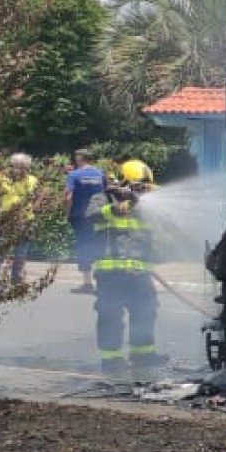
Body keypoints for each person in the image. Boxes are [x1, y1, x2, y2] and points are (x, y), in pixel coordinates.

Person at [86, 159, 161, 377]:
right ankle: (112, 360)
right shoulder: (101, 198)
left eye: (144, 187)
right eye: (137, 187)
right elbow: (92, 215)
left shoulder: (146, 204)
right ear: (123, 182)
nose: (142, 192)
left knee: (145, 312)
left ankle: (143, 356)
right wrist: (116, 209)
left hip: (140, 272)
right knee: (110, 314)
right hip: (110, 273)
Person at [0, 153, 39, 285]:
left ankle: (16, 279)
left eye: (23, 167)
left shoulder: (32, 180)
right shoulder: (1, 178)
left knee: (21, 253)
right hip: (5, 219)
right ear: (11, 166)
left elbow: (37, 197)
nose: (19, 169)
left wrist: (32, 209)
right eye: (16, 166)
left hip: (25, 220)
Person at [65, 149, 108, 294]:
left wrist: (66, 214)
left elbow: (69, 197)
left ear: (80, 158)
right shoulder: (100, 174)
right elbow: (107, 192)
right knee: (99, 246)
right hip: (99, 215)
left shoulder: (74, 175)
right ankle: (103, 283)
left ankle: (87, 283)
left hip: (80, 217)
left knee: (84, 247)